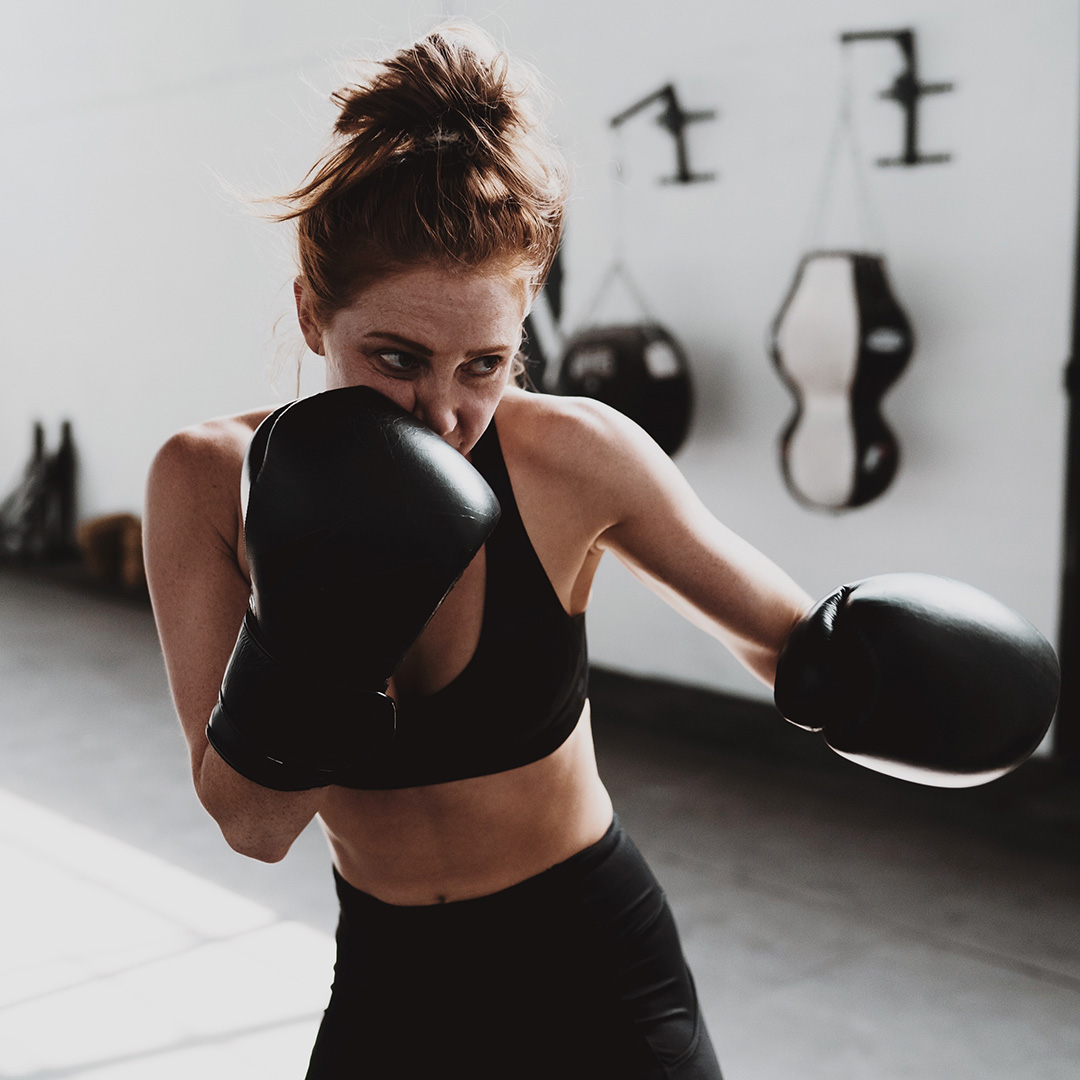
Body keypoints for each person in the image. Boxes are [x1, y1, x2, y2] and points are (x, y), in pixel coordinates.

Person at [143, 24, 1057, 1080]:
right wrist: (328, 605)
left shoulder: (573, 456)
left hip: (597, 965)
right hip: (394, 979)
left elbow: (787, 643)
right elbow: (252, 823)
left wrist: (873, 674)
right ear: (313, 312)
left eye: (483, 365)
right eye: (395, 357)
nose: (442, 415)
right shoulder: (208, 482)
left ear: (524, 329)